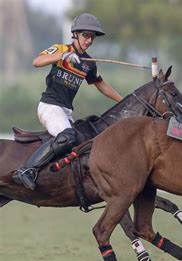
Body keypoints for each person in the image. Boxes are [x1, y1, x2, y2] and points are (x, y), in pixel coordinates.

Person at [12, 13, 123, 190]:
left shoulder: (88, 63)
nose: (88, 41)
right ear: (76, 34)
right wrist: (62, 56)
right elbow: (37, 61)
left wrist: (124, 100)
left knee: (82, 146)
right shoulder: (60, 49)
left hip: (66, 111)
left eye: (92, 37)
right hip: (49, 106)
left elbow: (100, 84)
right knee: (68, 137)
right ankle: (26, 170)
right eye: (85, 35)